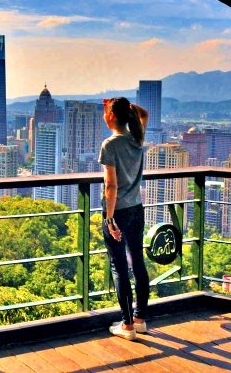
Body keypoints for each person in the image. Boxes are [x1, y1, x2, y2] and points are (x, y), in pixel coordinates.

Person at [99, 97, 149, 341]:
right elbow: (144, 114)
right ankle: (139, 320)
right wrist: (127, 107)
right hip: (136, 209)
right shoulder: (136, 138)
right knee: (137, 262)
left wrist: (109, 219)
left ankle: (127, 325)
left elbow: (111, 186)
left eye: (106, 111)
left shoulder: (110, 145)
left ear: (110, 116)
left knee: (119, 267)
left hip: (117, 211)